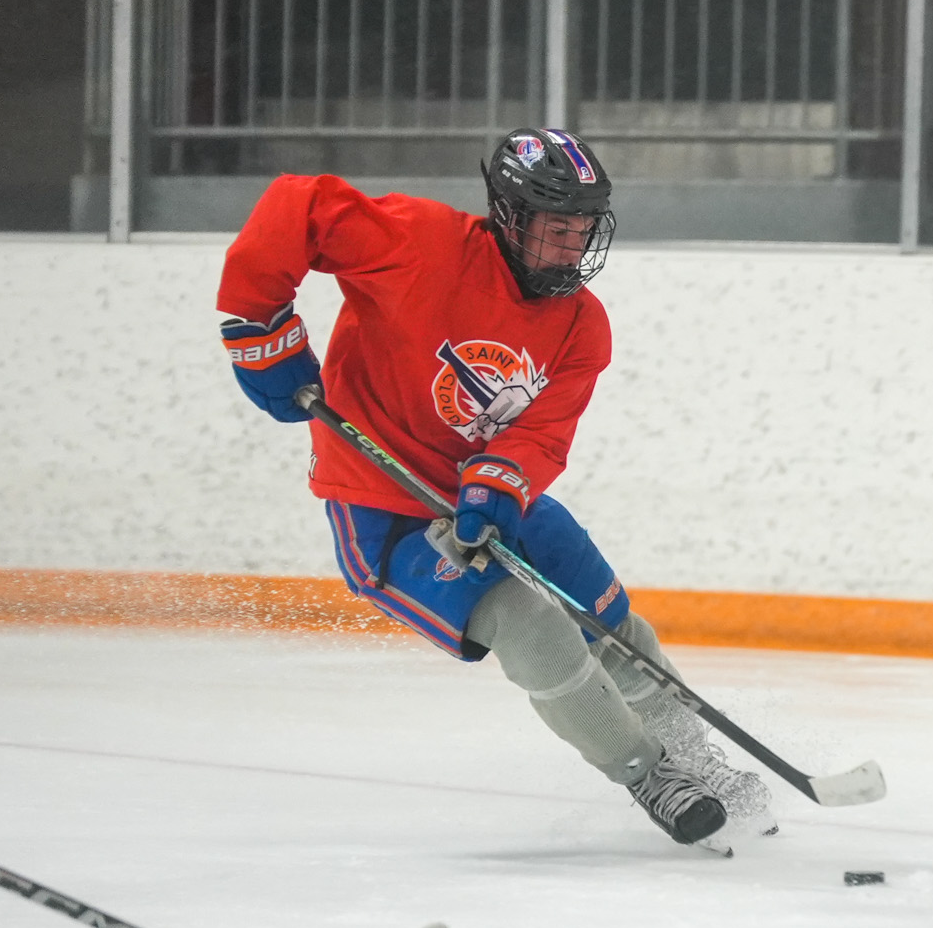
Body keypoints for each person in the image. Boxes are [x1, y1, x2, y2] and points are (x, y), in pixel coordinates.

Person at [215, 128, 767, 849]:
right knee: (530, 623)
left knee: (608, 620)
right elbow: (300, 204)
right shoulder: (420, 244)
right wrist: (260, 326)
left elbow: (541, 435)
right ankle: (650, 774)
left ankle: (697, 758)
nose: (572, 248)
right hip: (382, 508)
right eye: (556, 229)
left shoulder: (581, 326)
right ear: (509, 215)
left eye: (583, 230)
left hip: (493, 497)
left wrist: (498, 485)